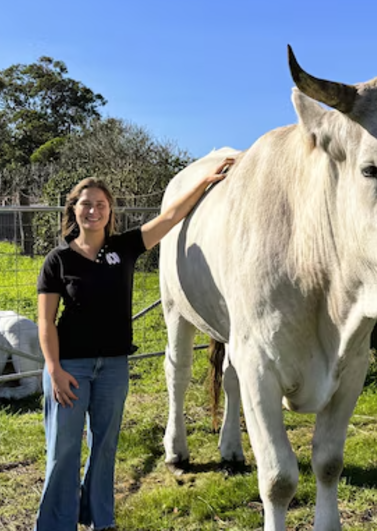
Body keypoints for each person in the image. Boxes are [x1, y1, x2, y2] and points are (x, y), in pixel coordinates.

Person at [33, 157, 234, 531]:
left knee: (105, 449)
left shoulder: (124, 248)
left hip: (112, 368)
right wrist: (54, 369)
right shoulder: (57, 260)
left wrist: (205, 179)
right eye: (86, 204)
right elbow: (45, 322)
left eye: (101, 205)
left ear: (110, 212)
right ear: (73, 210)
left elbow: (171, 216)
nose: (93, 211)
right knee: (63, 452)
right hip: (69, 369)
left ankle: (100, 519)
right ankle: (55, 525)